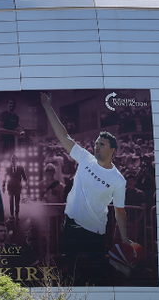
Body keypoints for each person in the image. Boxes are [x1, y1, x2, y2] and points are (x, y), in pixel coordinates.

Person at [40, 92, 134, 285]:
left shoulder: (118, 179)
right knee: (72, 274)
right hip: (71, 225)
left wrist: (125, 239)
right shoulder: (84, 158)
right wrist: (48, 108)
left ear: (112, 150)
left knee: (97, 274)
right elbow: (63, 134)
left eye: (102, 144)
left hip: (95, 232)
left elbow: (120, 211)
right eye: (96, 143)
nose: (97, 146)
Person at [3, 155, 29, 220]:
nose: (13, 161)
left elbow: (24, 177)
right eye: (12, 159)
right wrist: (3, 185)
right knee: (11, 201)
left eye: (14, 159)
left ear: (17, 160)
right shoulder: (8, 168)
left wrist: (26, 185)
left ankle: (17, 215)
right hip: (10, 187)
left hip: (18, 187)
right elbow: (5, 177)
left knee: (17, 202)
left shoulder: (21, 168)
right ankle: (12, 215)